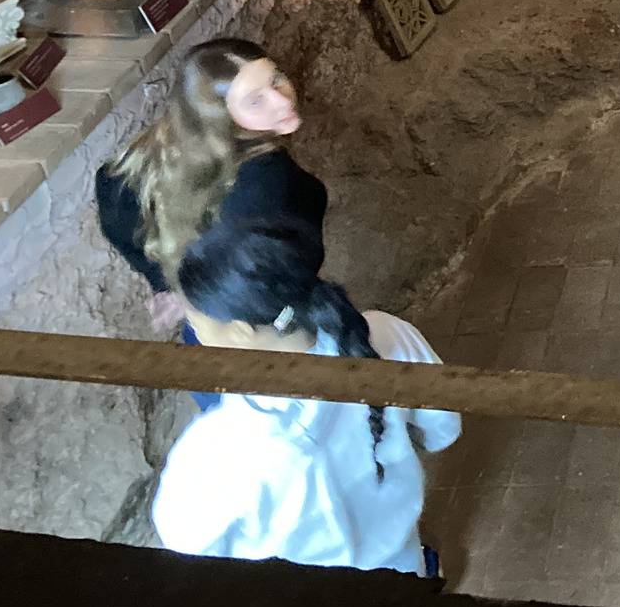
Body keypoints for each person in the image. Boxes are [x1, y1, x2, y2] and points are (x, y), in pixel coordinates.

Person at [152, 220, 461, 572]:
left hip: (312, 595)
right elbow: (443, 429)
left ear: (241, 331)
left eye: (195, 326)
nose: (196, 336)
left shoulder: (212, 452)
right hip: (403, 559)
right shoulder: (383, 332)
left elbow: (185, 546)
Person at [97, 38, 326, 340]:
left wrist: (171, 287)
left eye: (276, 80)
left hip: (204, 321)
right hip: (260, 327)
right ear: (221, 115)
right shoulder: (270, 180)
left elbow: (112, 187)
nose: (282, 101)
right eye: (255, 101)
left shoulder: (150, 150)